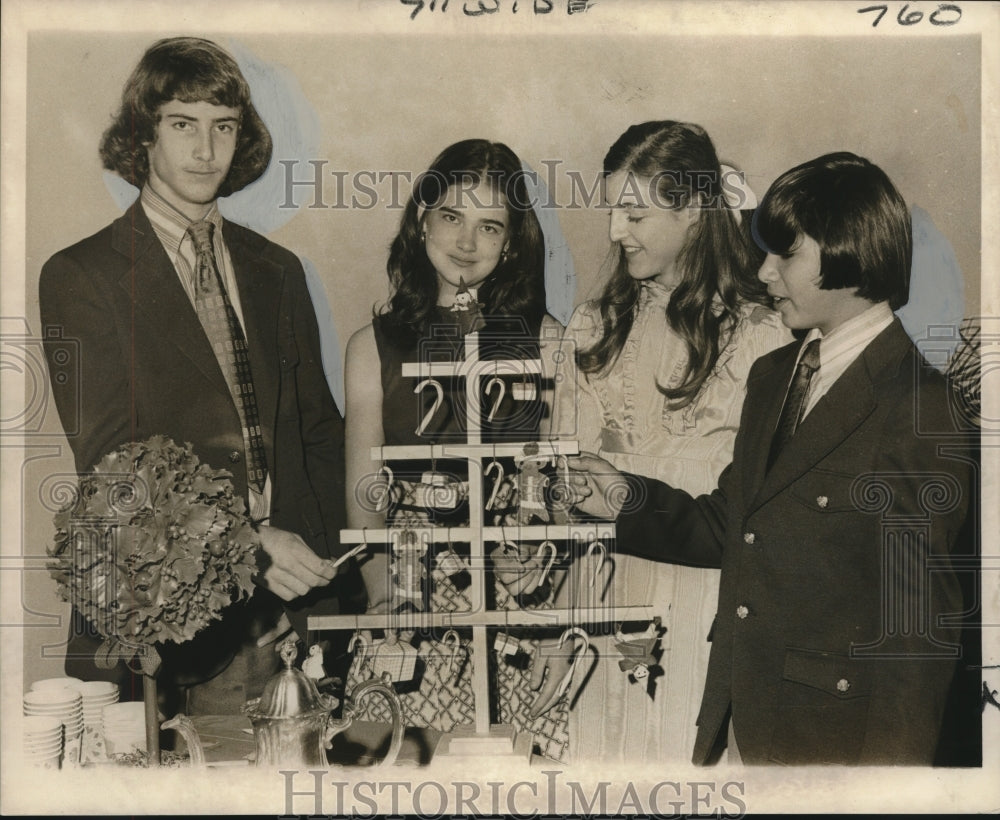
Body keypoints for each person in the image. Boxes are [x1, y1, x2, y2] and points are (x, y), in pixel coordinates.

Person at [567, 152, 973, 765]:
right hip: (741, 725)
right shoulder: (774, 374)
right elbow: (731, 524)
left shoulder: (919, 407)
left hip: (834, 746)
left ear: (850, 251)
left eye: (786, 254)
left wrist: (891, 790)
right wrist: (625, 498)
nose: (764, 272)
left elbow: (916, 637)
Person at [39, 37, 348, 715]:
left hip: (288, 618)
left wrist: (344, 591)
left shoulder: (278, 271)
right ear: (143, 135)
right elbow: (112, 469)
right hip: (164, 622)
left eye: (224, 127)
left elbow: (319, 436)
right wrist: (248, 542)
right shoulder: (80, 276)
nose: (206, 150)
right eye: (183, 124)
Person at [552, 121, 791, 764]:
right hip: (600, 589)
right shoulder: (592, 327)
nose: (614, 232)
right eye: (610, 211)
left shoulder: (766, 338)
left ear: (692, 211)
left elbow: (757, 515)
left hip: (702, 597)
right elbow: (559, 469)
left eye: (633, 212)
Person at [344, 138, 566, 750]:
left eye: (489, 226)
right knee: (406, 769)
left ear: (513, 241)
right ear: (421, 222)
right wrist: (391, 605)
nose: (467, 242)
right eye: (451, 217)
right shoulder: (372, 346)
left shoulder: (548, 341)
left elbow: (557, 493)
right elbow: (365, 503)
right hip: (410, 584)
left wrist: (545, 617)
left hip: (514, 584)